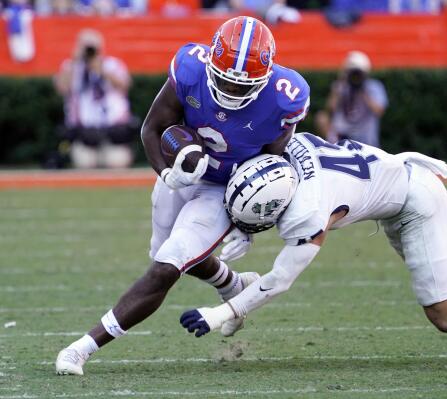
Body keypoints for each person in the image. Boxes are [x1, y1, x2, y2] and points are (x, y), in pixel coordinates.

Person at [55, 16, 310, 375]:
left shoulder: (286, 97)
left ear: (265, 78)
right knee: (166, 252)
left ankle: (81, 348)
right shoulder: (190, 66)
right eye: (224, 80)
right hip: (181, 173)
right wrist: (167, 173)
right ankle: (232, 283)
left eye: (243, 86)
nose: (232, 91)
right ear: (211, 65)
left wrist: (248, 219)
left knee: (166, 267)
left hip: (224, 188)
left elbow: (273, 165)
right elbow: (152, 128)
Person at [180, 133, 447, 361]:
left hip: (414, 202)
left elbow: (281, 279)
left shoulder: (310, 210)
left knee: (446, 313)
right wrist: (247, 226)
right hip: (401, 187)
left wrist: (221, 313)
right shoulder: (287, 147)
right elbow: (261, 186)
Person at [54, 29, 135, 169]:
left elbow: (125, 85)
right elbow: (61, 88)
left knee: (117, 162)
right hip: (84, 134)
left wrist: (101, 70)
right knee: (85, 163)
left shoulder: (112, 64)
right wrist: (74, 61)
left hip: (114, 131)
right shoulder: (71, 66)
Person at [316, 51, 387, 148]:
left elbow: (379, 111)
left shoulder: (373, 86)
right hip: (342, 134)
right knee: (321, 117)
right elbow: (331, 108)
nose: (356, 76)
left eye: (358, 73)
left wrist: (363, 90)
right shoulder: (341, 85)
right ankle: (334, 145)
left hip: (365, 137)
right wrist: (340, 82)